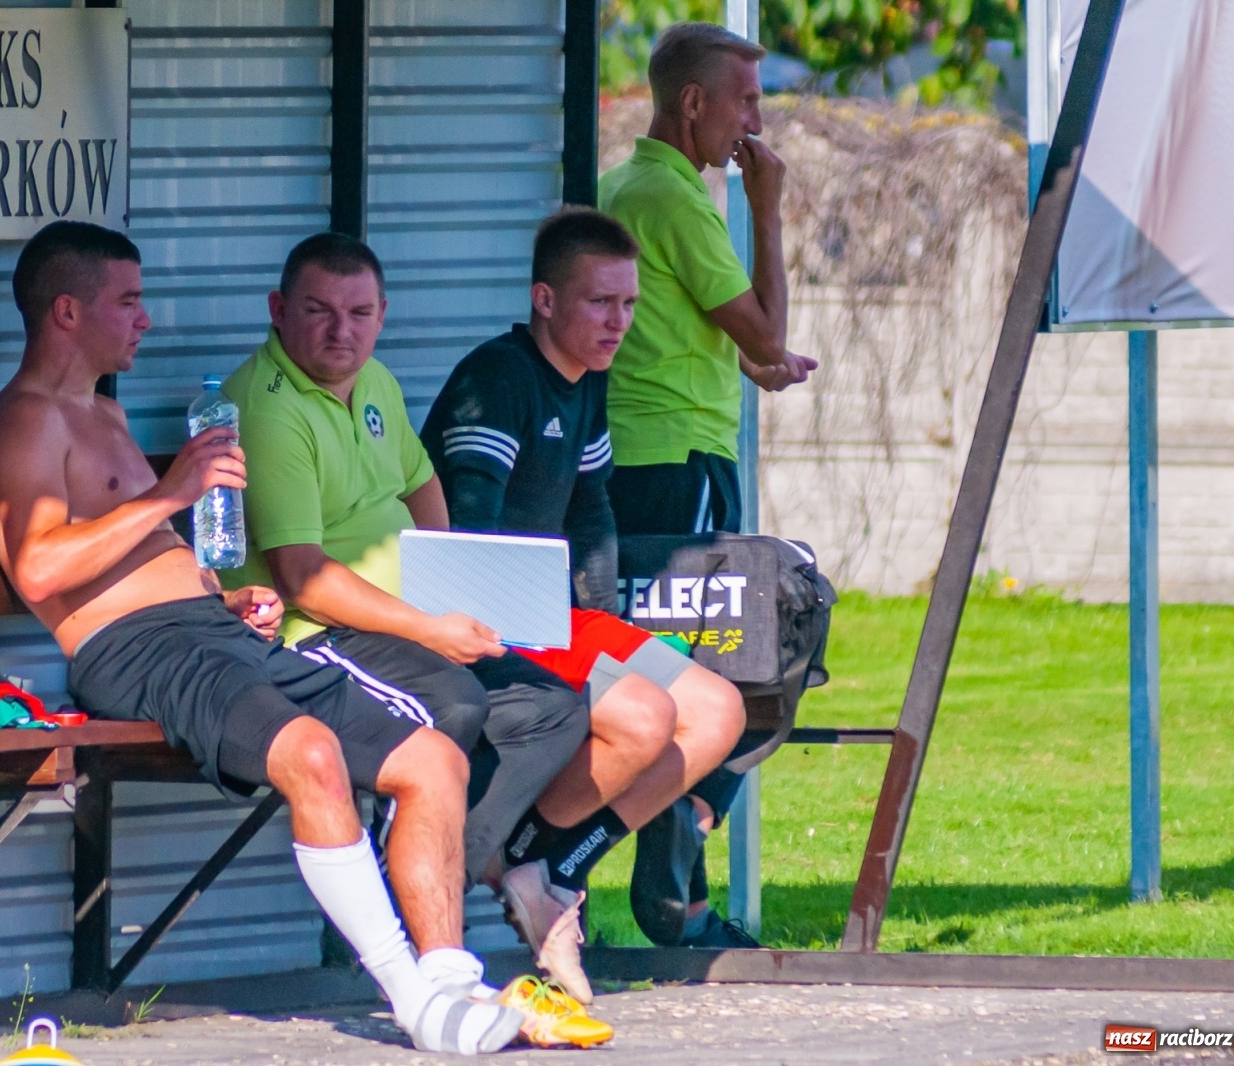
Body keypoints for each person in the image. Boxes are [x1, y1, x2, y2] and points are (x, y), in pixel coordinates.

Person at [0, 220, 525, 1055]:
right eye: (128, 301)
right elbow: (39, 567)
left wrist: (228, 598)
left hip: (209, 630)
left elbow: (140, 550)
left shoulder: (100, 415)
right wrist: (170, 494)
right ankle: (411, 995)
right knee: (311, 755)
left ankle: (449, 979)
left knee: (433, 759)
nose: (146, 319)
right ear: (65, 311)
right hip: (135, 650)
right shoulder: (24, 420)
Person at [220, 233, 615, 1004]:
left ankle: (459, 866)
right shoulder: (267, 410)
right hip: (316, 636)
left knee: (550, 706)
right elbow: (302, 580)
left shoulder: (375, 383)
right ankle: (439, 913)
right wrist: (431, 628)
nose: (343, 331)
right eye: (319, 312)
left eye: (360, 313)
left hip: (407, 620)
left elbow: (420, 484)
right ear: (277, 311)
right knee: (459, 702)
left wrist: (451, 583)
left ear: (383, 315)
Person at [422, 207, 750, 964]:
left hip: (558, 618)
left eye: (630, 303)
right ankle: (522, 861)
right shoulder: (498, 379)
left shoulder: (587, 381)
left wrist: (608, 626)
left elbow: (592, 507)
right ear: (545, 300)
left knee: (719, 709)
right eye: (601, 303)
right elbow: (469, 529)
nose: (619, 322)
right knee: (648, 711)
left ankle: (551, 864)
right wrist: (565, 634)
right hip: (489, 625)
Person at [598, 21, 817, 947]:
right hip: (673, 462)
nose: (754, 124)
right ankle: (679, 841)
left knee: (712, 654)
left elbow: (705, 334)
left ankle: (679, 853)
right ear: (694, 103)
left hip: (665, 450)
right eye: (745, 101)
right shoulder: (679, 196)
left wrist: (750, 360)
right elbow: (762, 329)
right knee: (745, 650)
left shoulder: (632, 186)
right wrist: (767, 209)